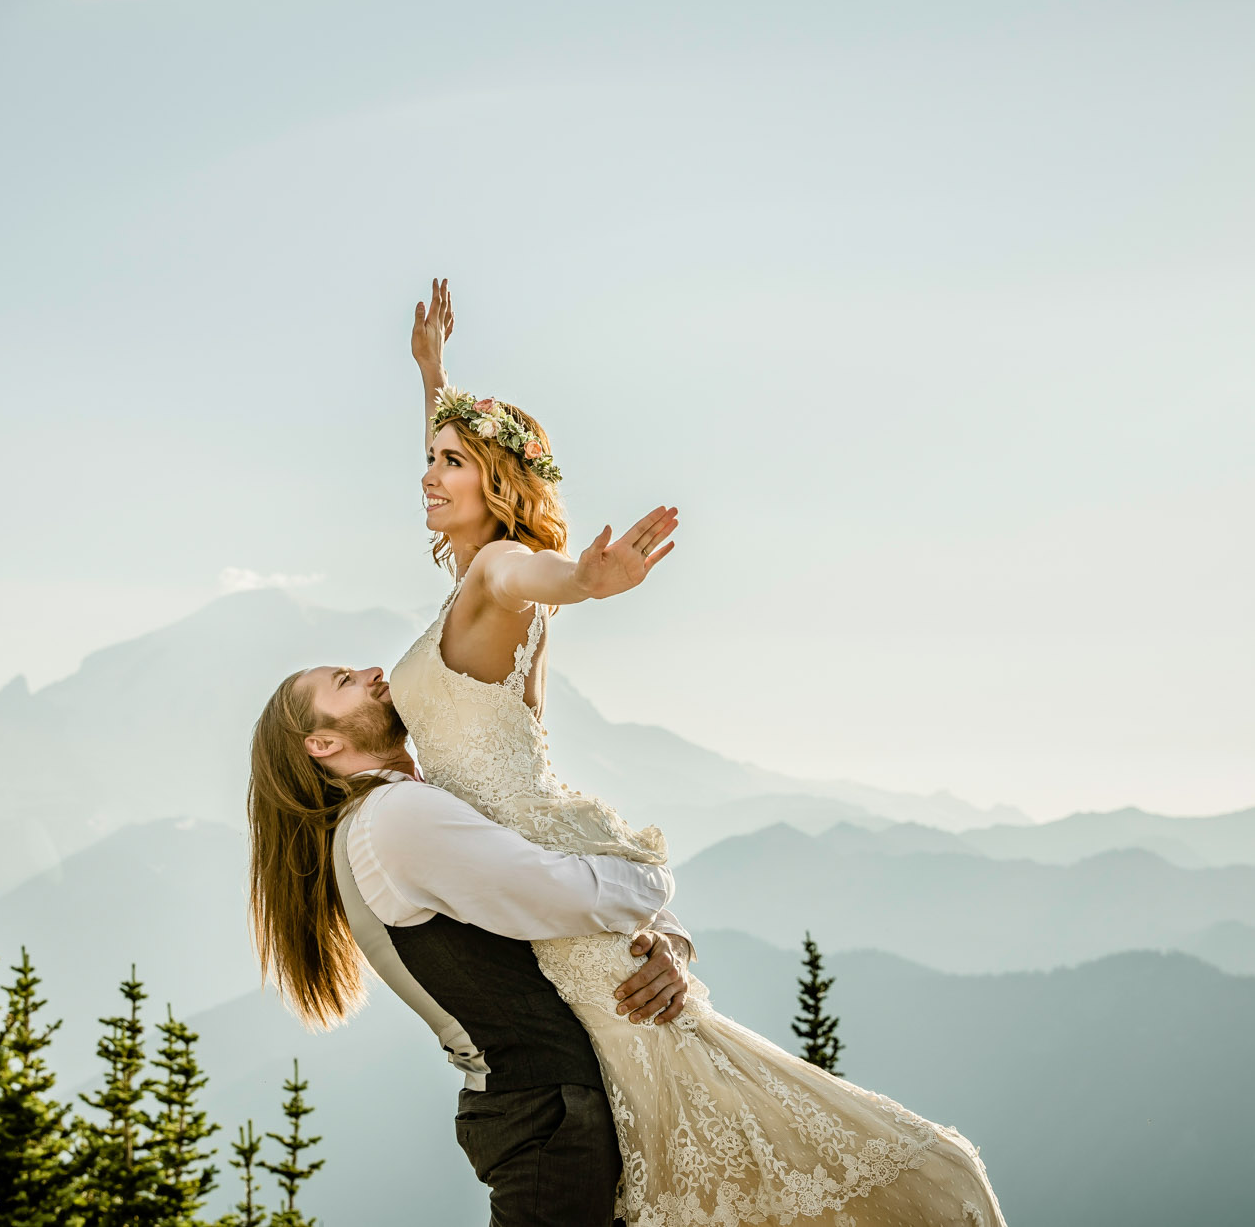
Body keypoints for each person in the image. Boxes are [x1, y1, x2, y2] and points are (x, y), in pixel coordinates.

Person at [383, 278, 1008, 1226]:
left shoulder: (495, 573)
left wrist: (588, 579)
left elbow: (537, 570)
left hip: (561, 918)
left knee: (699, 1109)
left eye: (450, 462)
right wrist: (436, 378)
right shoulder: (470, 580)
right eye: (429, 457)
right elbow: (480, 478)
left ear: (498, 483)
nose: (428, 473)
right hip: (537, 895)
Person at [247, 663, 699, 1227]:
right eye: (344, 681)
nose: (372, 671)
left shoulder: (393, 810)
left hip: (542, 1106)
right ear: (323, 743)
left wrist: (671, 938)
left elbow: (561, 890)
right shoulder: (395, 818)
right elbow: (560, 892)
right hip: (545, 1112)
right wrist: (657, 880)